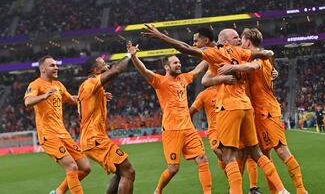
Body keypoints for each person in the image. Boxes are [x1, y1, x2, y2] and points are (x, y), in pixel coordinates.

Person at [142, 24, 289, 194]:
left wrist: (161, 36)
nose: (239, 40)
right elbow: (258, 57)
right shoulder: (241, 52)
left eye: (239, 37)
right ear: (226, 41)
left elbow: (185, 49)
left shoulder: (217, 53)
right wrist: (266, 55)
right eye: (236, 37)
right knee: (255, 153)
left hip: (229, 107)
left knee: (228, 156)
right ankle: (281, 190)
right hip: (246, 106)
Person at [213, 28, 308, 194]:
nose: (239, 44)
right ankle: (272, 191)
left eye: (241, 40)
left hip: (267, 111)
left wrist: (231, 68)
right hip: (254, 112)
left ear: (248, 42)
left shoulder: (257, 57)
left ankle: (301, 190)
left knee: (280, 150)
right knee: (260, 155)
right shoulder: (258, 56)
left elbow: (254, 66)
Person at [129, 41, 212, 194]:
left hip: (188, 127)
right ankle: (158, 190)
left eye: (179, 62)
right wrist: (134, 57)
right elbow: (145, 71)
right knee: (173, 168)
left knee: (202, 159)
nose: (178, 64)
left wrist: (209, 56)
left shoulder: (183, 79)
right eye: (175, 63)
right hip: (172, 130)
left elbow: (197, 70)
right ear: (167, 67)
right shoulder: (160, 81)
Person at [190, 27, 261, 194]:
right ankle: (235, 186)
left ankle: (248, 187)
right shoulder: (204, 94)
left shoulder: (232, 56)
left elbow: (256, 65)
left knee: (244, 154)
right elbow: (204, 79)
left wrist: (269, 68)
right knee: (224, 155)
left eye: (195, 40)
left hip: (238, 111)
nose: (194, 44)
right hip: (216, 128)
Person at [24, 55, 91, 194]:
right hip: (49, 135)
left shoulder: (58, 85)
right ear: (42, 68)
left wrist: (92, 97)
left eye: (56, 65)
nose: (56, 67)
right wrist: (44, 96)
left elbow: (72, 99)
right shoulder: (35, 84)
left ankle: (59, 192)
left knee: (85, 168)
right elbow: (28, 102)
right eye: (52, 65)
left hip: (63, 133)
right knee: (72, 167)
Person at [78, 47, 135, 194]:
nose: (107, 66)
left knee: (120, 172)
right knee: (128, 171)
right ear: (95, 70)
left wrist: (102, 96)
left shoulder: (91, 88)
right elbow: (116, 70)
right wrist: (129, 55)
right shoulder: (89, 84)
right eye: (104, 64)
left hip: (92, 138)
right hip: (94, 138)